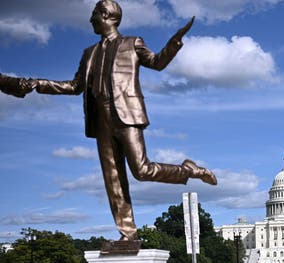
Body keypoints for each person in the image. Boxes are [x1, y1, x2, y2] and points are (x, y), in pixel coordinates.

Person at [27, 0, 216, 241]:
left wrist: (174, 43)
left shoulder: (132, 43)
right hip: (101, 120)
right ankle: (128, 234)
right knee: (113, 180)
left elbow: (157, 63)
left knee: (141, 170)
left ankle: (188, 170)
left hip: (127, 115)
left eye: (94, 14)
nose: (90, 19)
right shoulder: (89, 53)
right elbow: (75, 86)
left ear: (107, 16)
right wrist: (37, 84)